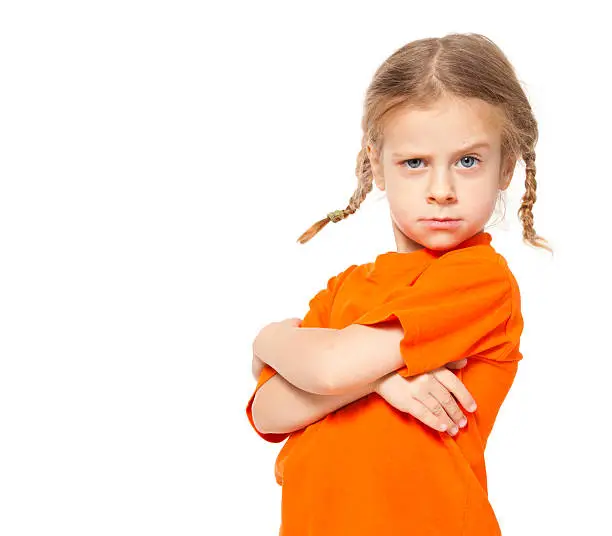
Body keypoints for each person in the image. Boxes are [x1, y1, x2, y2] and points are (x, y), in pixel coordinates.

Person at [246, 32, 552, 536]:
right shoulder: (342, 289)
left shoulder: (478, 280)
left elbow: (327, 366)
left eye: (468, 161)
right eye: (415, 163)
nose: (441, 191)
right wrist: (384, 380)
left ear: (507, 167)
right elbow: (268, 411)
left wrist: (276, 342)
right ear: (377, 165)